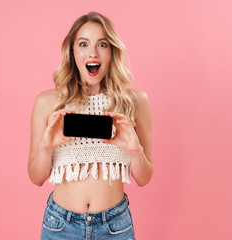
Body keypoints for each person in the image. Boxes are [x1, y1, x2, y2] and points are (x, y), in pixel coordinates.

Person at [28, 11, 153, 240]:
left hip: (115, 226)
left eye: (102, 44)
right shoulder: (47, 102)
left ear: (112, 51)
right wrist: (47, 147)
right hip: (60, 227)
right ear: (72, 51)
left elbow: (144, 178)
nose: (92, 52)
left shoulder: (135, 101)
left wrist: (135, 150)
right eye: (83, 44)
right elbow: (36, 177)